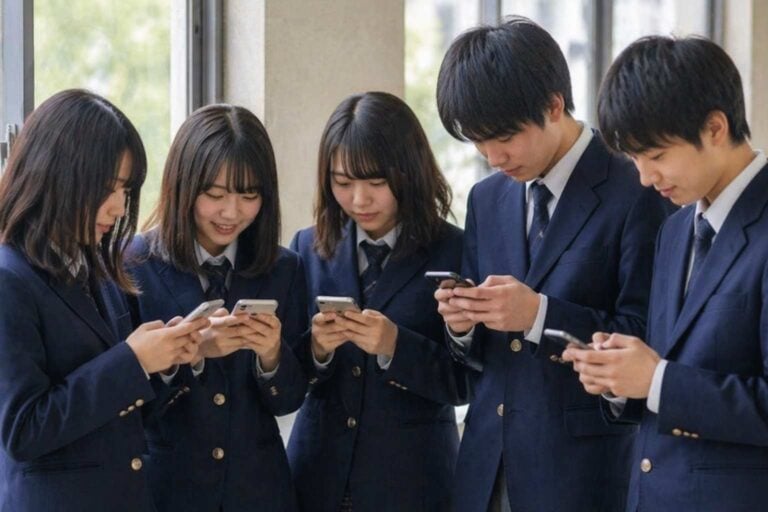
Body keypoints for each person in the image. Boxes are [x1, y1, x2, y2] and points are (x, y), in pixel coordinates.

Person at [433, 17, 673, 512]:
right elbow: (486, 356)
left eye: (503, 137)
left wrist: (540, 315)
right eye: (477, 141)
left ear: (554, 105)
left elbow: (647, 335)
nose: (492, 156)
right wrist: (463, 325)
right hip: (486, 467)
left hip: (582, 472)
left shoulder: (637, 186)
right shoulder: (487, 197)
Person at [564, 36, 767, 512]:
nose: (644, 177)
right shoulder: (675, 231)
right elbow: (667, 370)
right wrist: (620, 379)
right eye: (633, 159)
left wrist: (657, 380)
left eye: (655, 156)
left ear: (715, 127)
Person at [0, 89, 206, 511]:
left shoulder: (95, 269)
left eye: (126, 189)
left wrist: (163, 363)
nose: (119, 207)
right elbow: (22, 431)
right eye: (105, 187)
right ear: (54, 174)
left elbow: (118, 415)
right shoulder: (9, 278)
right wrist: (133, 360)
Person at [286, 91, 470, 512]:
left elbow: (467, 381)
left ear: (409, 172)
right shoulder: (307, 247)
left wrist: (395, 345)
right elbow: (286, 379)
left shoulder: (453, 251)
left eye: (375, 182)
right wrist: (316, 349)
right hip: (318, 478)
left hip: (414, 482)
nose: (358, 200)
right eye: (343, 183)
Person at [125, 104, 307, 511]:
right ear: (183, 186)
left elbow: (289, 400)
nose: (231, 212)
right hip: (167, 491)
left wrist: (272, 355)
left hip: (260, 493)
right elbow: (128, 409)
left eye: (249, 195)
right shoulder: (134, 265)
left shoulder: (285, 268)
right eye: (214, 194)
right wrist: (185, 355)